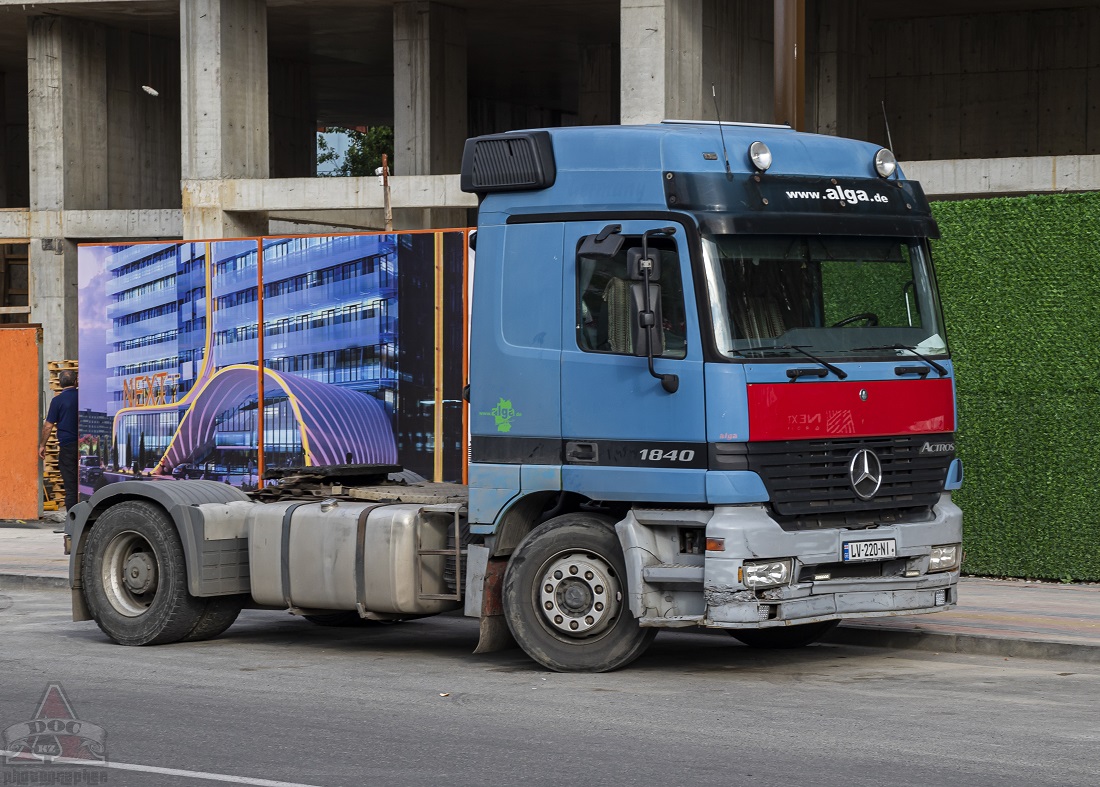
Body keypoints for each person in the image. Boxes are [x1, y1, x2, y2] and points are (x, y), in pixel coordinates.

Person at [40, 369, 79, 512]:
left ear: (61, 384)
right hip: (86, 447)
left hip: (67, 447)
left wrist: (42, 445)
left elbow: (48, 426)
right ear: (76, 382)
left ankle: (73, 523)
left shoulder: (57, 401)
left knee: (70, 486)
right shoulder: (83, 397)